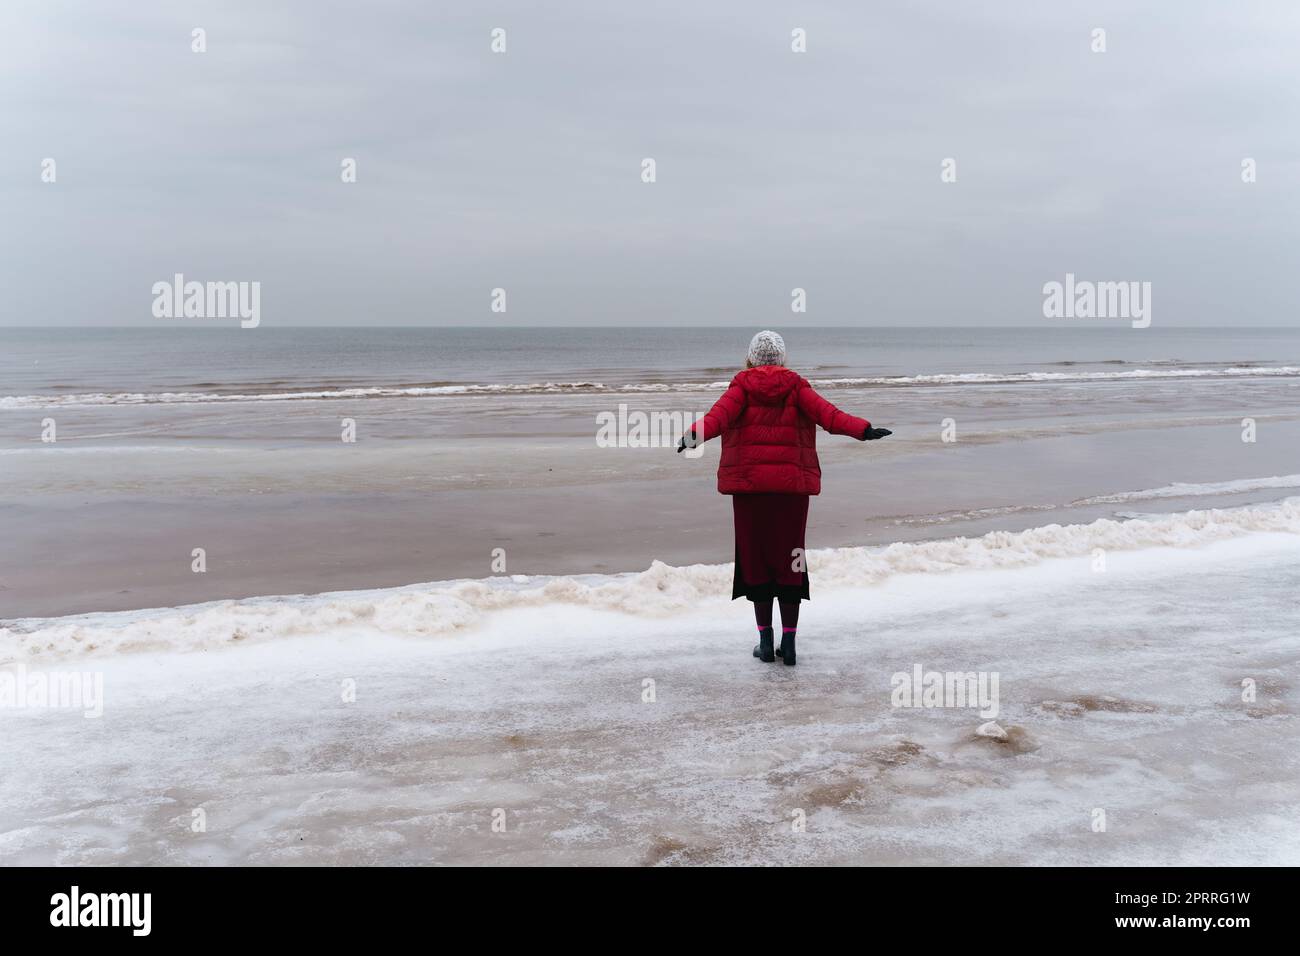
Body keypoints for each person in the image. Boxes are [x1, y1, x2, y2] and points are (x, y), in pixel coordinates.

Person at [677, 331, 890, 666]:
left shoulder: (741, 388)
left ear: (750, 358)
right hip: (792, 491)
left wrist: (693, 436)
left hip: (750, 492)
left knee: (756, 560)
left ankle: (766, 642)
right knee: (792, 562)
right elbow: (830, 416)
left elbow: (717, 418)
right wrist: (864, 430)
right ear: (782, 358)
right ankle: (788, 645)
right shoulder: (797, 388)